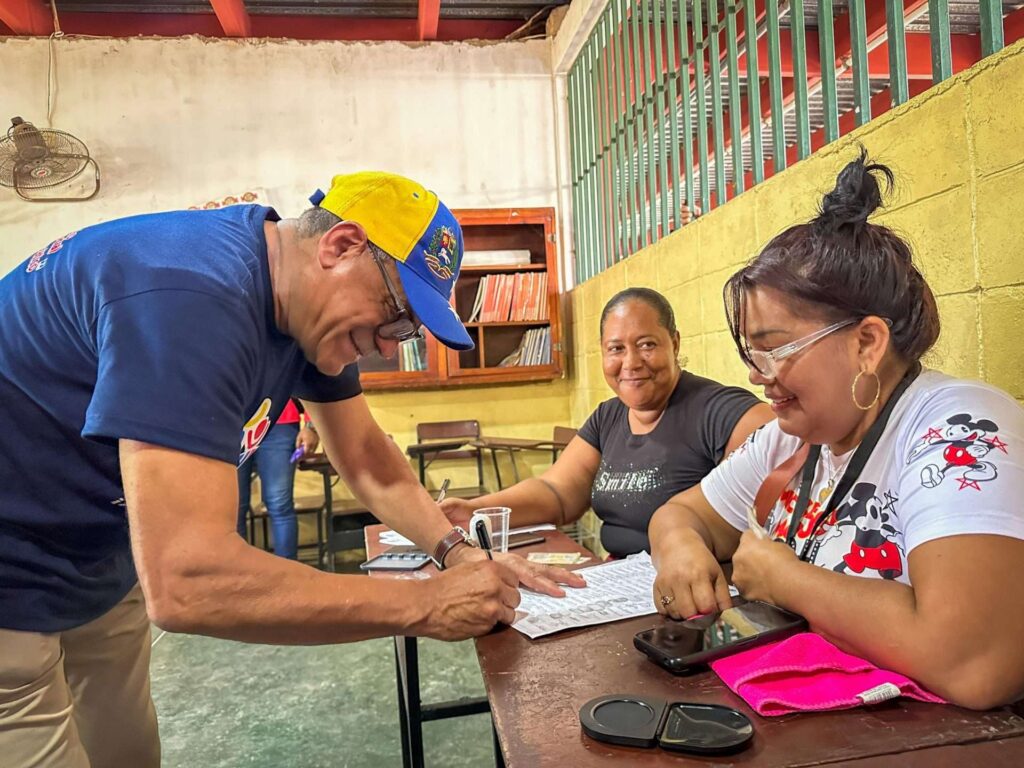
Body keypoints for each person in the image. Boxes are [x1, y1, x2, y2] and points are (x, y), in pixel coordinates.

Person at [0, 171, 584, 768]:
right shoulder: (191, 297)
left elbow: (364, 455)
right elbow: (186, 582)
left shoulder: (302, 307)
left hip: (98, 554)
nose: (387, 347)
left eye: (405, 332)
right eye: (396, 316)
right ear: (340, 246)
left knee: (125, 751)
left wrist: (459, 554)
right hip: (11, 569)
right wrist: (426, 604)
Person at [649, 152, 1024, 710]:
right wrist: (679, 549)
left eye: (775, 351)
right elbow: (680, 514)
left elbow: (976, 663)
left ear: (866, 344)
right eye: (753, 354)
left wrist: (785, 580)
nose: (758, 377)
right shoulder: (795, 437)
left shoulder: (959, 430)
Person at [442, 288, 774, 557]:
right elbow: (557, 492)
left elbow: (777, 447)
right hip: (621, 588)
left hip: (696, 600)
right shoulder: (608, 417)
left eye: (646, 345)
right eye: (616, 348)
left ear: (674, 343)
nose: (630, 362)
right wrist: (474, 510)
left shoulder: (718, 411)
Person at [236, 398, 319, 559]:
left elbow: (309, 377)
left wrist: (310, 425)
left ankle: (288, 577)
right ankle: (236, 578)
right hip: (232, 421)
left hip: (279, 421)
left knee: (279, 504)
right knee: (233, 508)